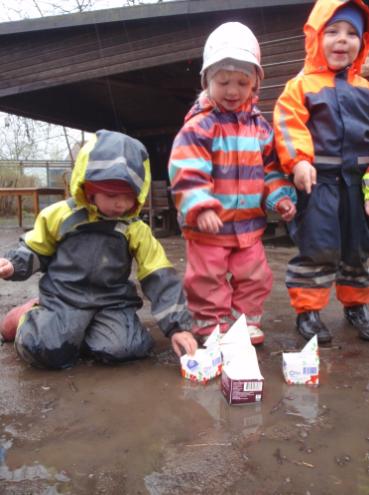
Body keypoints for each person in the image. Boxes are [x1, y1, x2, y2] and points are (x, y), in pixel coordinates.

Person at [0, 130, 197, 369]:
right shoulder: (60, 216)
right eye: (112, 195)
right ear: (89, 188)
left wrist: (177, 326)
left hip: (111, 302)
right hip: (64, 298)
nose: (121, 204)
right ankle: (28, 315)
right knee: (43, 349)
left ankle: (79, 333)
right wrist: (15, 264)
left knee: (127, 349)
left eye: (129, 196)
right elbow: (36, 248)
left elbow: (159, 274)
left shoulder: (134, 228)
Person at [168, 22, 297, 345]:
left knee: (256, 275)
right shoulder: (199, 127)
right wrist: (200, 205)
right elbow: (187, 169)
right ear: (207, 81)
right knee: (207, 278)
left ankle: (243, 321)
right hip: (207, 227)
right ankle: (210, 324)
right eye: (223, 81)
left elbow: (270, 168)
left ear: (255, 84)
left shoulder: (259, 128)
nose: (232, 90)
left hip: (248, 226)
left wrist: (279, 196)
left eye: (243, 82)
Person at [274, 0, 369, 343]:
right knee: (318, 247)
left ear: (362, 42)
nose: (342, 40)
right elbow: (288, 124)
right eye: (332, 31)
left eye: (351, 33)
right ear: (315, 36)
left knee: (359, 248)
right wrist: (299, 160)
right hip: (319, 182)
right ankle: (308, 312)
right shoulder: (300, 86)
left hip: (356, 185)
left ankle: (357, 305)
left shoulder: (365, 89)